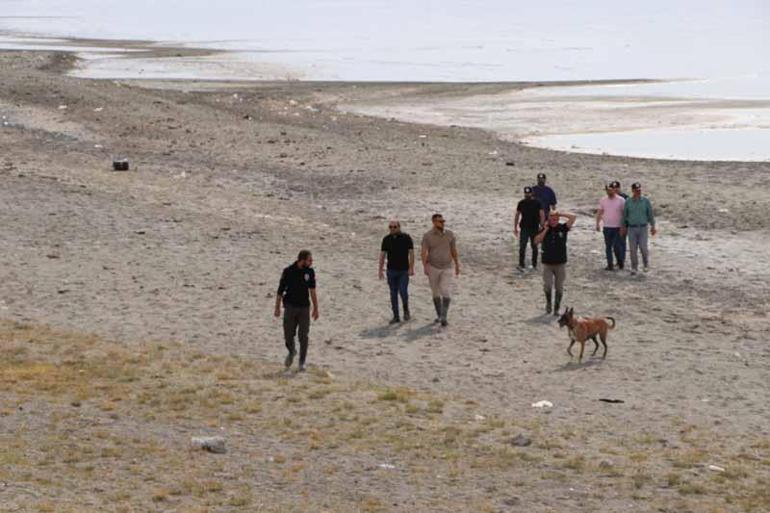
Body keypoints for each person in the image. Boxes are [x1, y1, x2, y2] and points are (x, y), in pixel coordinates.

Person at [274, 250, 319, 371]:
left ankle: (302, 362)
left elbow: (313, 291)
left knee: (303, 335)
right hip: (290, 307)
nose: (311, 262)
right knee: (288, 335)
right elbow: (280, 291)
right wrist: (277, 307)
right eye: (309, 260)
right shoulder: (288, 271)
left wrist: (316, 308)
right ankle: (292, 351)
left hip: (304, 308)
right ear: (302, 260)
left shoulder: (310, 272)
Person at [421, 214, 460, 327]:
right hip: (433, 266)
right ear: (434, 222)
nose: (442, 223)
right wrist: (425, 266)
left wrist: (457, 264)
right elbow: (423, 252)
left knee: (445, 290)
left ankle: (444, 317)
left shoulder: (449, 234)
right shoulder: (427, 236)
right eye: (440, 221)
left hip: (447, 266)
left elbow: (454, 250)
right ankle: (439, 315)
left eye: (443, 221)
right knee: (435, 292)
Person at [535, 210, 576, 315]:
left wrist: (560, 214)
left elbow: (573, 217)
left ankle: (556, 308)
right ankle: (548, 303)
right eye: (551, 219)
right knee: (547, 285)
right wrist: (545, 230)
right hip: (547, 263)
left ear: (558, 219)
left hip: (560, 263)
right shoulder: (544, 229)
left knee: (559, 286)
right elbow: (536, 241)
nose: (553, 221)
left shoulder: (563, 228)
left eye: (555, 219)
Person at [379, 220, 415, 323]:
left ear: (399, 227)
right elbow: (382, 255)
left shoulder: (406, 238)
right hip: (391, 270)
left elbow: (411, 253)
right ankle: (396, 316)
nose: (392, 229)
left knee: (403, 291)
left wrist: (411, 268)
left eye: (394, 227)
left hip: (404, 270)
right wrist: (380, 270)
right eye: (390, 227)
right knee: (393, 293)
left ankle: (406, 310)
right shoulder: (386, 239)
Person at [621, 182, 656, 275]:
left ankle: (645, 264)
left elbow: (650, 214)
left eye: (639, 190)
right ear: (632, 191)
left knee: (643, 247)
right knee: (633, 249)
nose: (638, 192)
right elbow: (625, 215)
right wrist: (623, 226)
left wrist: (653, 226)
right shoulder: (628, 201)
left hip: (643, 228)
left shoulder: (645, 201)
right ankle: (634, 267)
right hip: (631, 228)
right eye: (636, 190)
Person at [595, 181, 626, 270]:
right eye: (607, 190)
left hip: (617, 226)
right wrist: (597, 223)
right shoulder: (603, 200)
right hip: (607, 226)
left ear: (614, 190)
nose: (609, 192)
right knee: (608, 246)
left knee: (617, 246)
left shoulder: (621, 200)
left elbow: (624, 213)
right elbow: (600, 212)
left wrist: (624, 226)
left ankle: (620, 261)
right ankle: (610, 264)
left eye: (610, 190)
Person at [514, 186, 545, 272]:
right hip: (524, 227)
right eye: (526, 193)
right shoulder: (521, 203)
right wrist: (515, 227)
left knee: (534, 246)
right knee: (522, 246)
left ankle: (534, 265)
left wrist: (542, 225)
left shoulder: (537, 203)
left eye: (529, 193)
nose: (527, 194)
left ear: (532, 193)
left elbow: (542, 214)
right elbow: (517, 215)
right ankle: (521, 264)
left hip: (534, 227)